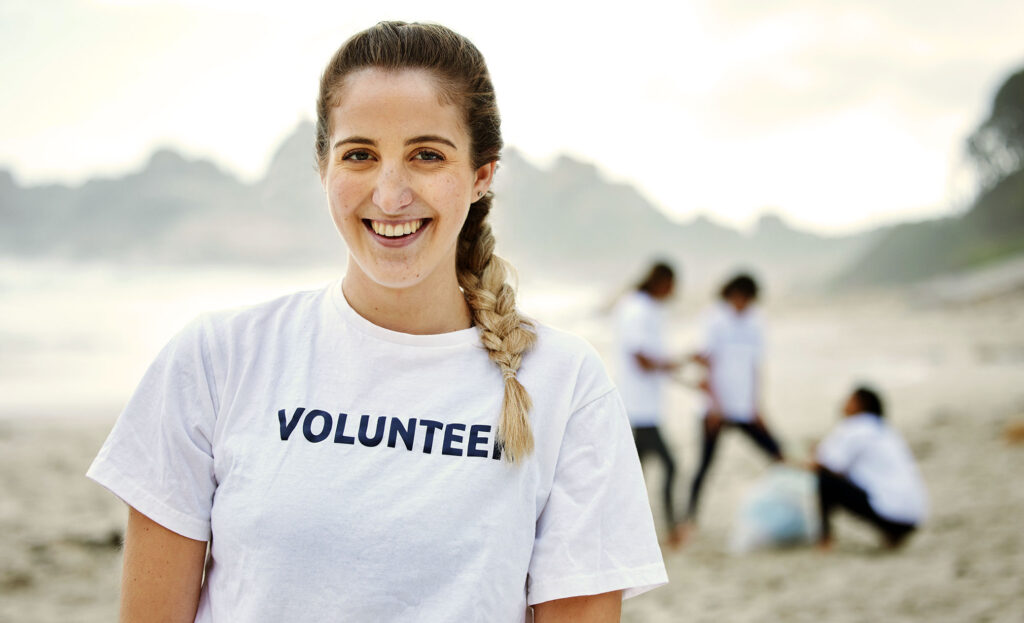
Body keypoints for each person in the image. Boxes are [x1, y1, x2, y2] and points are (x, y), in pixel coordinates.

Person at [86, 21, 666, 622]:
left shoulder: (566, 385)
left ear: (481, 175)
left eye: (427, 155)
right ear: (323, 169)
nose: (390, 196)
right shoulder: (216, 358)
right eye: (360, 154)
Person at [684, 273, 784, 526]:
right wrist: (714, 406)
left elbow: (755, 366)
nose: (744, 304)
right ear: (732, 294)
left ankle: (789, 505)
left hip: (744, 407)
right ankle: (689, 519)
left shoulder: (755, 321)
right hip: (716, 408)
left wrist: (756, 405)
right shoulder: (714, 318)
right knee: (705, 466)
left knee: (777, 454)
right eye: (741, 298)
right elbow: (707, 363)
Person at [613, 262, 684, 545]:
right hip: (638, 407)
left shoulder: (647, 308)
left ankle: (626, 530)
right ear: (661, 282)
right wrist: (675, 364)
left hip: (645, 406)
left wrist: (679, 367)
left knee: (636, 474)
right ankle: (671, 529)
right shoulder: (636, 308)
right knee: (669, 465)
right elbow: (640, 359)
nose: (672, 292)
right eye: (671, 286)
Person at [813, 387, 927, 549]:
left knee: (825, 479)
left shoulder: (856, 427)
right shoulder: (885, 430)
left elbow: (828, 465)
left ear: (861, 404)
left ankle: (825, 539)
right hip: (913, 516)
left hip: (888, 512)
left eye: (849, 400)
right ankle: (893, 536)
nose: (843, 404)